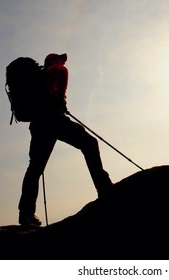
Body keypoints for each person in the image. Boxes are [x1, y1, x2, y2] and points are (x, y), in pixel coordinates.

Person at [18, 53, 113, 226]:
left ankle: (26, 213)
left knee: (35, 168)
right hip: (53, 119)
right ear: (52, 61)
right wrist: (61, 101)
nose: (63, 61)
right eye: (60, 59)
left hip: (38, 125)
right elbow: (58, 81)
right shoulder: (56, 69)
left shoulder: (38, 79)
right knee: (89, 143)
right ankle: (104, 188)